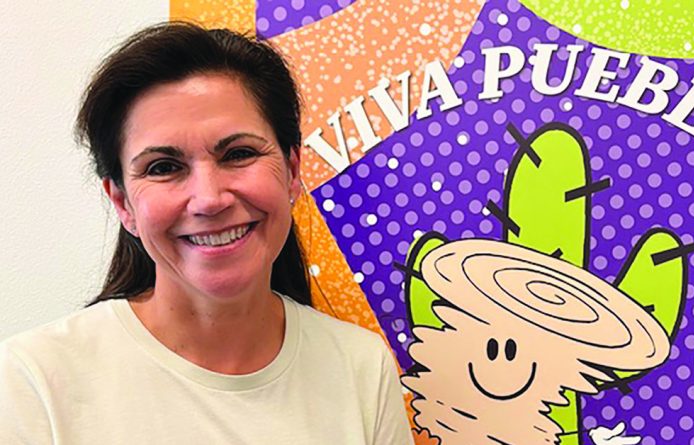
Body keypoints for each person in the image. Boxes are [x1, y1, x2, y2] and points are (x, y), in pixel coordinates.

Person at [0, 22, 413, 444]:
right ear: (122, 203)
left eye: (239, 154)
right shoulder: (36, 380)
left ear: (291, 171)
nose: (209, 199)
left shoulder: (360, 367)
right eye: (163, 167)